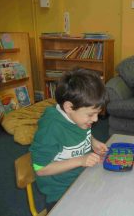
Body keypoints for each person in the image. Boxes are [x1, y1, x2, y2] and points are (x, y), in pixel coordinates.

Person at [29, 68, 108, 210]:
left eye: (97, 113)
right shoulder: (51, 129)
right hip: (61, 193)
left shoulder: (77, 117)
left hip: (82, 177)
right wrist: (80, 160)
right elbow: (40, 169)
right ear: (69, 107)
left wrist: (93, 142)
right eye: (91, 115)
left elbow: (82, 132)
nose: (95, 119)